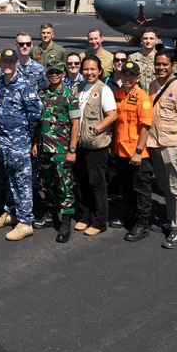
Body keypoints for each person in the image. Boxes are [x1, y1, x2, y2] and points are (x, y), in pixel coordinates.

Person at [0, 49, 43, 241]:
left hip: (18, 142)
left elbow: (35, 113)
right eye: (5, 62)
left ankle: (25, 221)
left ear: (17, 63)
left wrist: (26, 136)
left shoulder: (24, 84)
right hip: (3, 142)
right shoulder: (1, 82)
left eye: (11, 62)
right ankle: (11, 212)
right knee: (7, 179)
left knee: (22, 181)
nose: (8, 65)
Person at [146, 50, 177, 249]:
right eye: (158, 64)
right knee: (164, 185)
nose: (160, 67)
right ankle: (170, 217)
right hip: (154, 143)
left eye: (164, 64)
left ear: (172, 66)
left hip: (173, 145)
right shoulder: (152, 85)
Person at [34, 59, 80, 243]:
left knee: (64, 185)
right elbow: (38, 122)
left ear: (63, 74)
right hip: (44, 148)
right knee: (47, 183)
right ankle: (50, 214)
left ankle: (66, 222)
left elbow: (76, 124)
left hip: (61, 149)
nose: (54, 75)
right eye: (51, 72)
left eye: (57, 72)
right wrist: (34, 144)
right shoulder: (42, 95)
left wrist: (72, 149)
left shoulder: (70, 96)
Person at [71, 55, 117, 236]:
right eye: (86, 69)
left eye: (93, 69)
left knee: (96, 182)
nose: (89, 72)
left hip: (96, 145)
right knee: (81, 181)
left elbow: (112, 115)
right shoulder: (78, 88)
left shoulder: (103, 90)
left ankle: (99, 221)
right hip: (80, 143)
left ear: (99, 71)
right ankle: (85, 216)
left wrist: (97, 130)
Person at [110, 62, 153, 242]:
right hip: (121, 151)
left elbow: (145, 127)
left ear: (138, 78)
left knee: (141, 188)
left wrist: (138, 151)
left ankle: (143, 222)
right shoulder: (118, 95)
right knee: (126, 186)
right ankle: (130, 214)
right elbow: (116, 124)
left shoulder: (143, 98)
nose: (127, 78)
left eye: (131, 75)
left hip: (137, 154)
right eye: (125, 74)